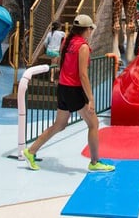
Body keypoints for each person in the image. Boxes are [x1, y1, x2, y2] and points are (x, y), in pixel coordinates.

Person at [22, 14, 114, 173]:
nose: (91, 32)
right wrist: (91, 99)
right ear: (86, 30)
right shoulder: (83, 47)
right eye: (90, 29)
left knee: (60, 124)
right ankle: (95, 162)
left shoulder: (67, 42)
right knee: (93, 124)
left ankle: (30, 151)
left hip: (63, 88)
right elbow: (83, 75)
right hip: (74, 90)